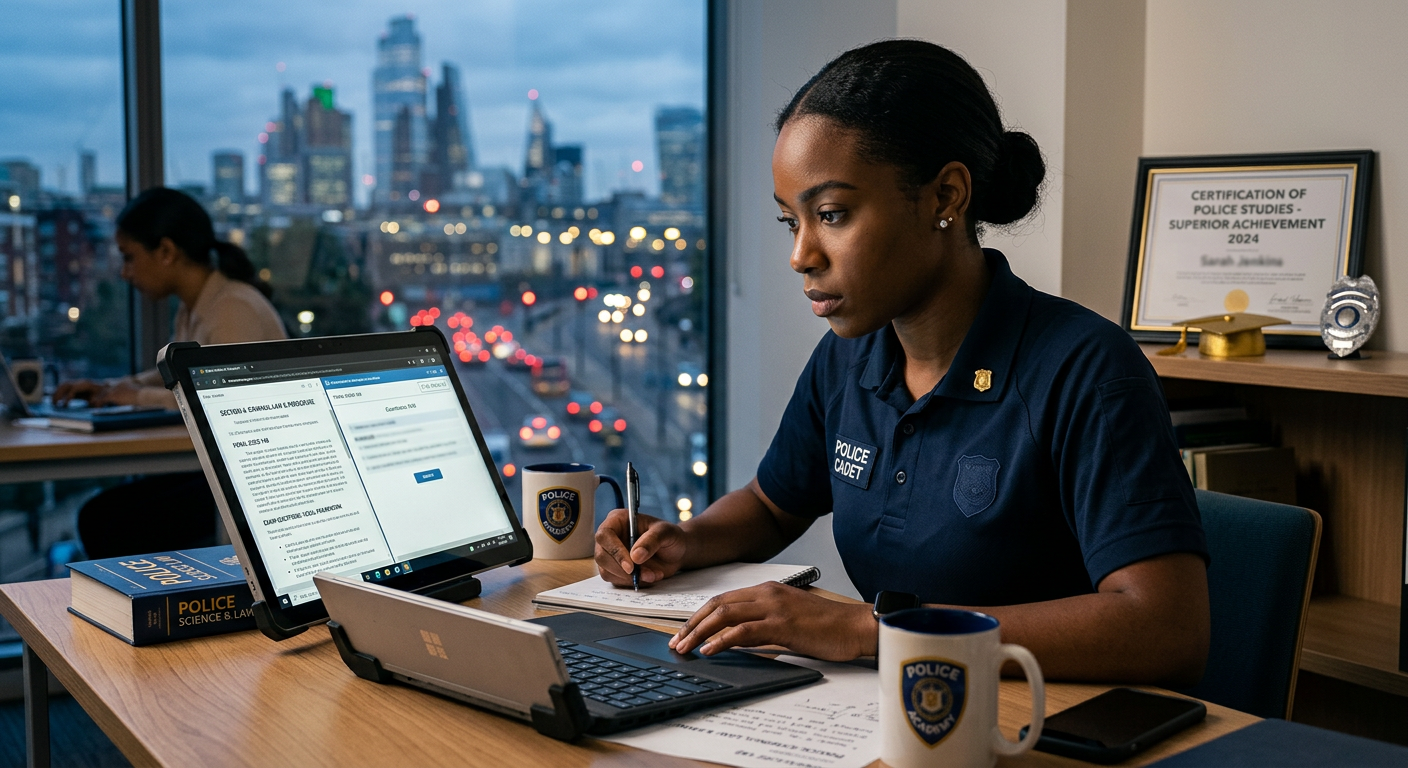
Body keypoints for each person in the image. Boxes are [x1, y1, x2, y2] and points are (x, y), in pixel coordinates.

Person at [594, 40, 1210, 686]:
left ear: (946, 196)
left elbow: (1165, 627)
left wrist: (868, 632)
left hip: (1040, 729)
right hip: (901, 710)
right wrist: (686, 541)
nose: (801, 255)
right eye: (790, 223)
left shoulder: (1088, 371)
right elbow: (772, 504)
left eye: (831, 215)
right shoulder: (847, 358)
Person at [55, 187, 287, 558]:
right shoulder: (199, 306)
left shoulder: (231, 311)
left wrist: (132, 395)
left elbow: (220, 404)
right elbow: (175, 371)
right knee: (105, 516)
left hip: (252, 479)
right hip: (222, 466)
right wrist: (114, 387)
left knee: (107, 521)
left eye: (129, 258)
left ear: (166, 251)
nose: (125, 272)